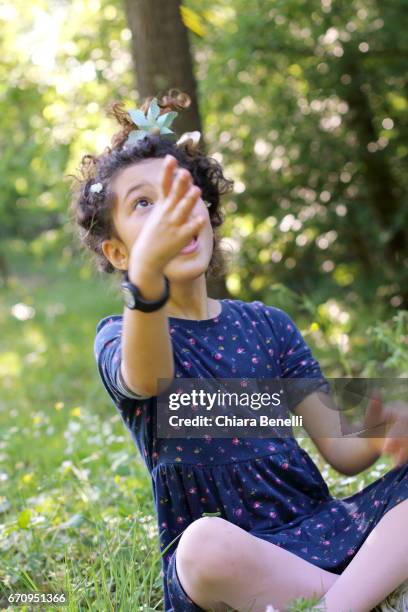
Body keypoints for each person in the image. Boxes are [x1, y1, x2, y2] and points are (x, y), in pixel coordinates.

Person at [70, 89, 408, 612]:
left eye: (181, 196)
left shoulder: (268, 325)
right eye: (144, 204)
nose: (170, 217)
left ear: (206, 211)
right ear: (118, 252)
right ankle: (367, 594)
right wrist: (146, 281)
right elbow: (147, 378)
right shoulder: (123, 333)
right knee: (203, 546)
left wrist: (384, 426)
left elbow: (341, 450)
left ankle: (338, 602)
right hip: (234, 561)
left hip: (321, 535)